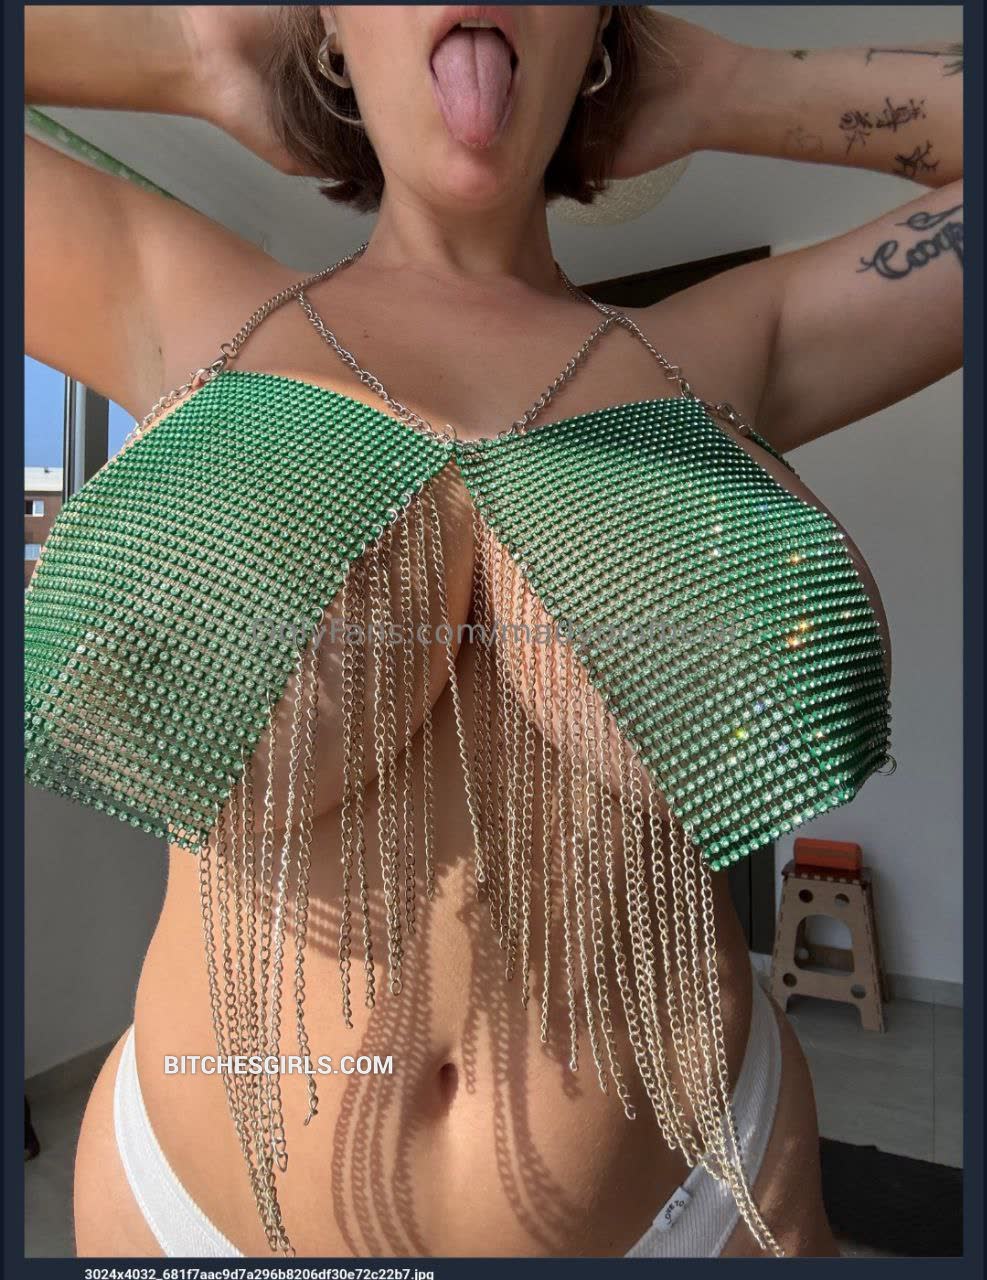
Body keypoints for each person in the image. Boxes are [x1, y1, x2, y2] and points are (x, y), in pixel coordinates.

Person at [24, 4, 961, 1261]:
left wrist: (717, 88)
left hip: (700, 1200)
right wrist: (199, 59)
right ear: (330, 30)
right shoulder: (174, 290)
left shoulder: (724, 345)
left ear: (600, 37)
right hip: (195, 1205)